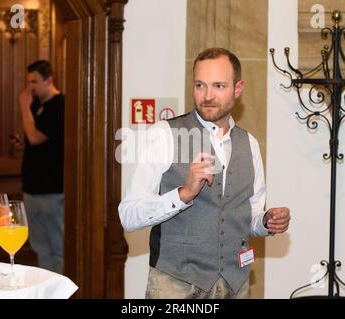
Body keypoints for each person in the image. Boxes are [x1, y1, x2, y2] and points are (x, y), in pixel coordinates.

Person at [118, 48, 291, 299]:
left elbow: (249, 216)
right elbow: (128, 216)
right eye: (200, 85)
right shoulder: (165, 134)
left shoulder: (249, 144)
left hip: (235, 284)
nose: (207, 96)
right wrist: (184, 194)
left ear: (238, 88)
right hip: (175, 286)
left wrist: (266, 222)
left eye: (219, 86)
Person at [12, 60, 65, 274]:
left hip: (51, 189)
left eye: (34, 81)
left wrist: (23, 106)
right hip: (31, 187)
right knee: (40, 247)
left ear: (49, 79)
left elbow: (35, 137)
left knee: (57, 247)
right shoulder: (36, 105)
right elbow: (34, 142)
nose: (30, 87)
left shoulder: (60, 104)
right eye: (28, 81)